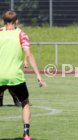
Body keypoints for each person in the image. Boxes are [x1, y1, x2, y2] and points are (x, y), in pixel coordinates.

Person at [0, 10, 46, 140]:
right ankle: (26, 134)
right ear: (17, 21)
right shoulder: (21, 34)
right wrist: (39, 76)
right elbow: (29, 54)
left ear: (3, 21)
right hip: (15, 76)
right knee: (25, 102)